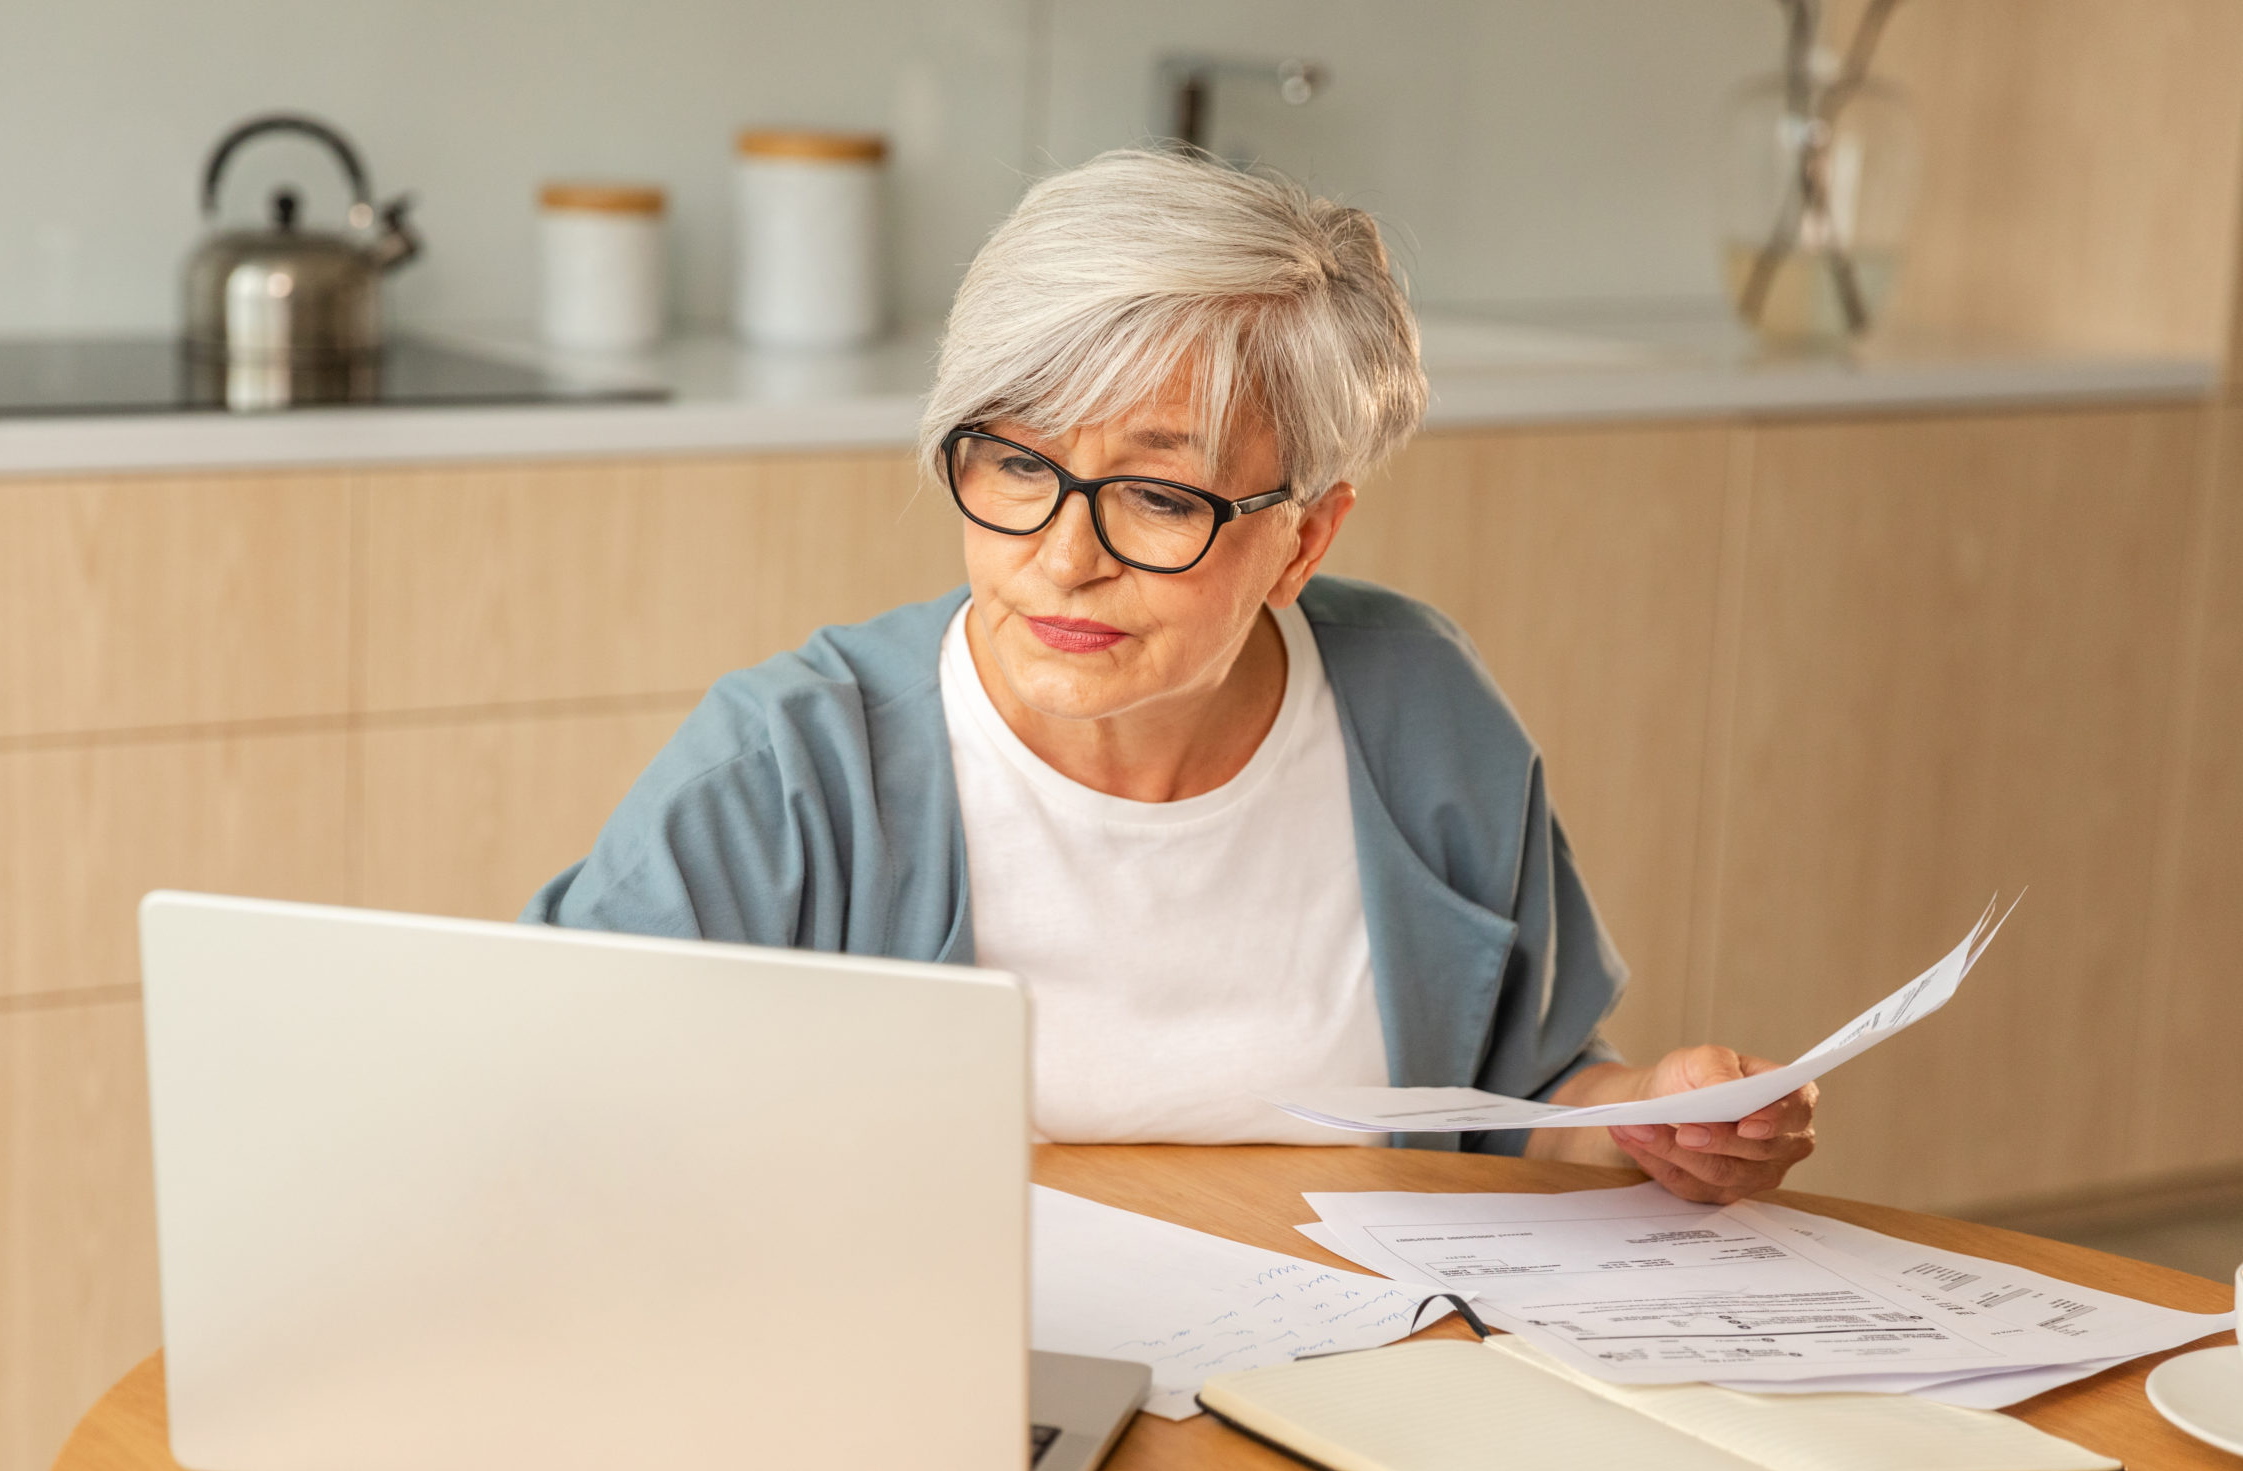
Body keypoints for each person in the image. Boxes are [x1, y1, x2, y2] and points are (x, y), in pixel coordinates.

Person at [527, 148, 1815, 1204]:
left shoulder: (1416, 708)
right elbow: (542, 1106)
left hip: (1351, 1385)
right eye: (1017, 466)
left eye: (1156, 495)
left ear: (1303, 538)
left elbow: (1518, 1102)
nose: (1065, 560)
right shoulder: (793, 771)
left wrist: (1652, 1119)